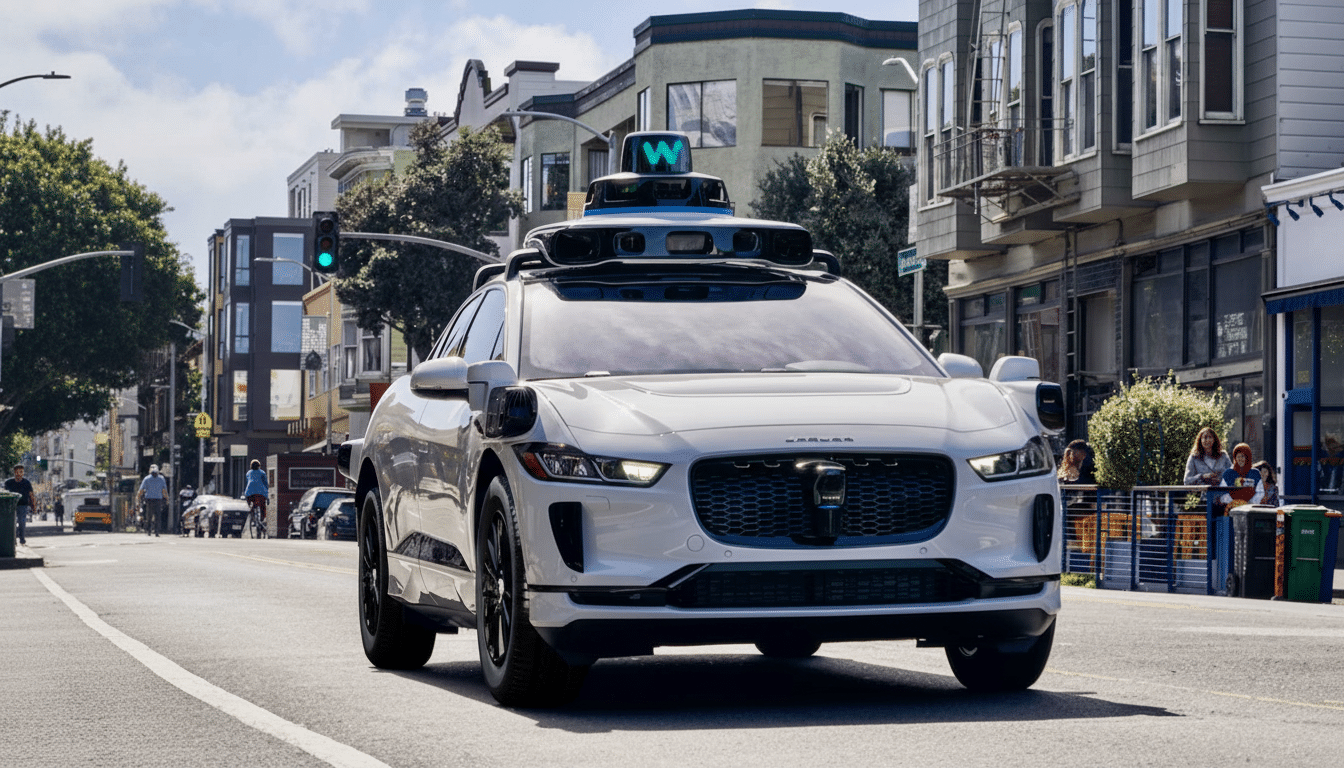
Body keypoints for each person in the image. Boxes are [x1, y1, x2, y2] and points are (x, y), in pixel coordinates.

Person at [1218, 443, 1264, 510]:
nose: (1240, 459)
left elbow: (1260, 492)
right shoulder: (1228, 473)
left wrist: (1249, 503)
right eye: (1238, 457)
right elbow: (1222, 493)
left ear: (1248, 457)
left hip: (1251, 509)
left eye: (1242, 456)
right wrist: (1235, 503)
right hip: (1232, 508)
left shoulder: (1255, 473)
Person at [4, 465, 34, 546]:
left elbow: (31, 495)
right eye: (17, 472)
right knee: (11, 523)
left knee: (22, 522)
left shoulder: (27, 483)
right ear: (14, 472)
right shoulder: (8, 483)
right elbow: (5, 493)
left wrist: (33, 506)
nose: (19, 474)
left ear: (23, 473)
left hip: (23, 505)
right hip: (11, 506)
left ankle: (22, 540)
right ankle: (13, 540)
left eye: (21, 472)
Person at [137, 464, 169, 537]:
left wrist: (138, 498)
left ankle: (149, 531)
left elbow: (141, 490)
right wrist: (167, 498)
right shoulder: (161, 478)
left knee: (149, 516)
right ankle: (156, 532)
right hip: (158, 500)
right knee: (157, 516)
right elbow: (164, 491)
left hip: (149, 500)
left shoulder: (146, 478)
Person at [243, 459, 268, 525]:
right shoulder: (262, 473)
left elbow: (247, 482)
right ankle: (262, 519)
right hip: (261, 493)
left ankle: (253, 517)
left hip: (250, 492)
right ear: (259, 466)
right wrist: (267, 492)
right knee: (263, 506)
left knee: (250, 505)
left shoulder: (248, 473)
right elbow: (265, 483)